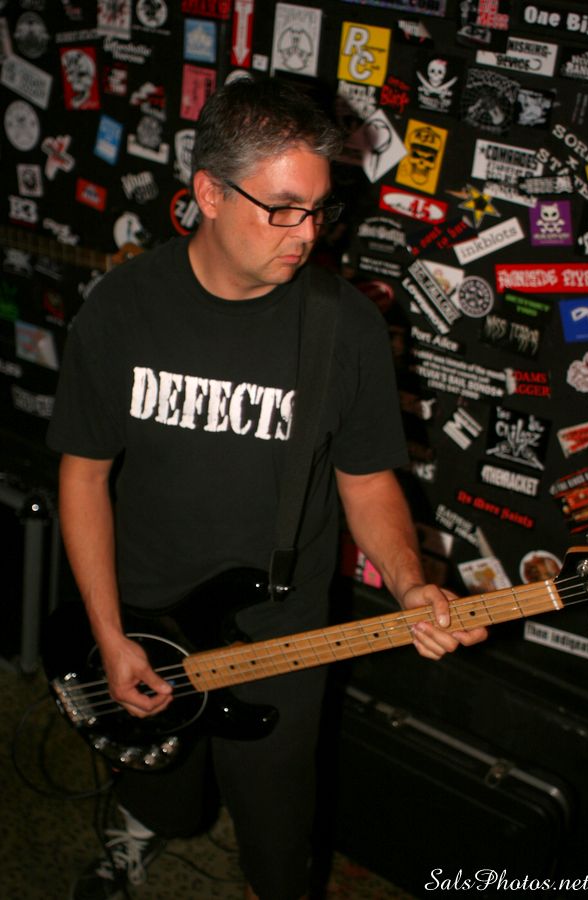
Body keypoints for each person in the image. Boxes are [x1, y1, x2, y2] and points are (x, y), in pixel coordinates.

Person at [47, 77, 487, 900]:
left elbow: (368, 482)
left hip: (281, 630)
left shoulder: (343, 326)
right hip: (142, 611)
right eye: (283, 209)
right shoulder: (121, 310)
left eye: (318, 209)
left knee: (279, 825)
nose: (307, 233)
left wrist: (410, 583)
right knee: (158, 781)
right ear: (209, 193)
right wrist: (108, 633)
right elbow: (84, 475)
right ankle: (141, 828)